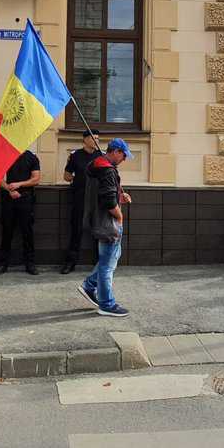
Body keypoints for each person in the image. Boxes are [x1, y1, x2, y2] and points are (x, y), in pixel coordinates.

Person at [77, 138, 132, 317]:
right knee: (108, 265)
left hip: (99, 220)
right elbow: (108, 200)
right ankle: (106, 304)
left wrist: (120, 197)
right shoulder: (107, 171)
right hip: (108, 223)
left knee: (110, 258)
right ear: (115, 151)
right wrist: (120, 215)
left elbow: (106, 194)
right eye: (123, 155)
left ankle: (89, 285)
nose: (124, 159)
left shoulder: (98, 166)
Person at [0, 149, 42, 275]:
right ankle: (2, 264)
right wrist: (9, 190)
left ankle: (30, 264)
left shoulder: (31, 157)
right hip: (8, 198)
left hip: (26, 198)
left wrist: (19, 184)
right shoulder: (4, 155)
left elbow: (36, 179)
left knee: (27, 232)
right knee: (7, 231)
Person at [61, 129, 100, 274]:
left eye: (98, 138)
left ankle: (99, 263)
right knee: (76, 229)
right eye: (93, 137)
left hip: (96, 199)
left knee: (97, 231)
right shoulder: (75, 156)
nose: (96, 140)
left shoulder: (101, 156)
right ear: (85, 140)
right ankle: (70, 263)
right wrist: (77, 179)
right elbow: (66, 176)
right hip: (79, 198)